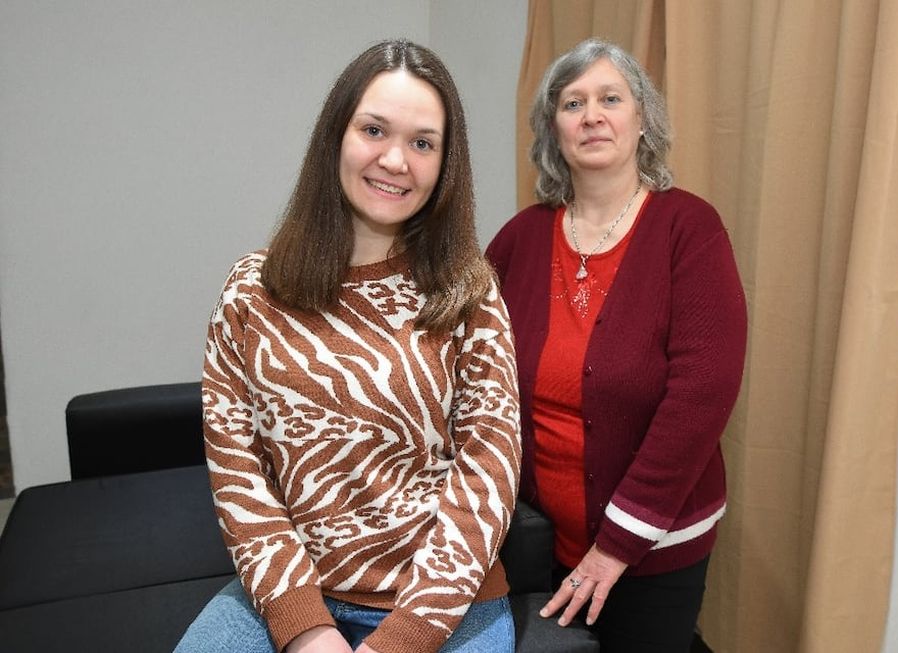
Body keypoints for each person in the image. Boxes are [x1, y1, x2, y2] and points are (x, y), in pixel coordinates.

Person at [175, 39, 521, 653]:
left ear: (445, 163)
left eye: (422, 143)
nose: (395, 160)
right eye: (374, 130)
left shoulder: (470, 290)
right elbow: (238, 470)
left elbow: (488, 473)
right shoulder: (251, 291)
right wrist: (306, 629)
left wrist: (401, 641)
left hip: (444, 604)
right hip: (292, 591)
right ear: (336, 135)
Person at [485, 38, 747, 652]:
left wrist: (616, 546)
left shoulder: (690, 228)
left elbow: (702, 396)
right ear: (554, 129)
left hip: (656, 543)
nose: (592, 115)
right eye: (573, 102)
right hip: (538, 536)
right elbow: (469, 360)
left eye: (610, 98)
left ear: (642, 119)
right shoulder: (520, 237)